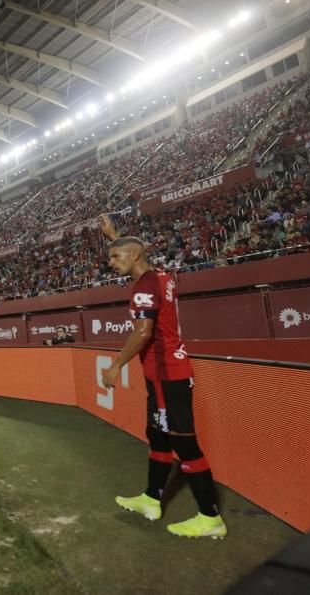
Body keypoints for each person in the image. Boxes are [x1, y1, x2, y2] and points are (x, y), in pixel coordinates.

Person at [97, 214, 226, 539]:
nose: (111, 262)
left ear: (134, 256)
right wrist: (115, 237)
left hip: (169, 375)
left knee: (185, 443)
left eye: (115, 256)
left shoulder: (144, 287)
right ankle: (151, 499)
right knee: (157, 435)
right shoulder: (160, 277)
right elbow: (136, 251)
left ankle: (210, 517)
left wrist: (115, 365)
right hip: (162, 376)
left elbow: (143, 333)